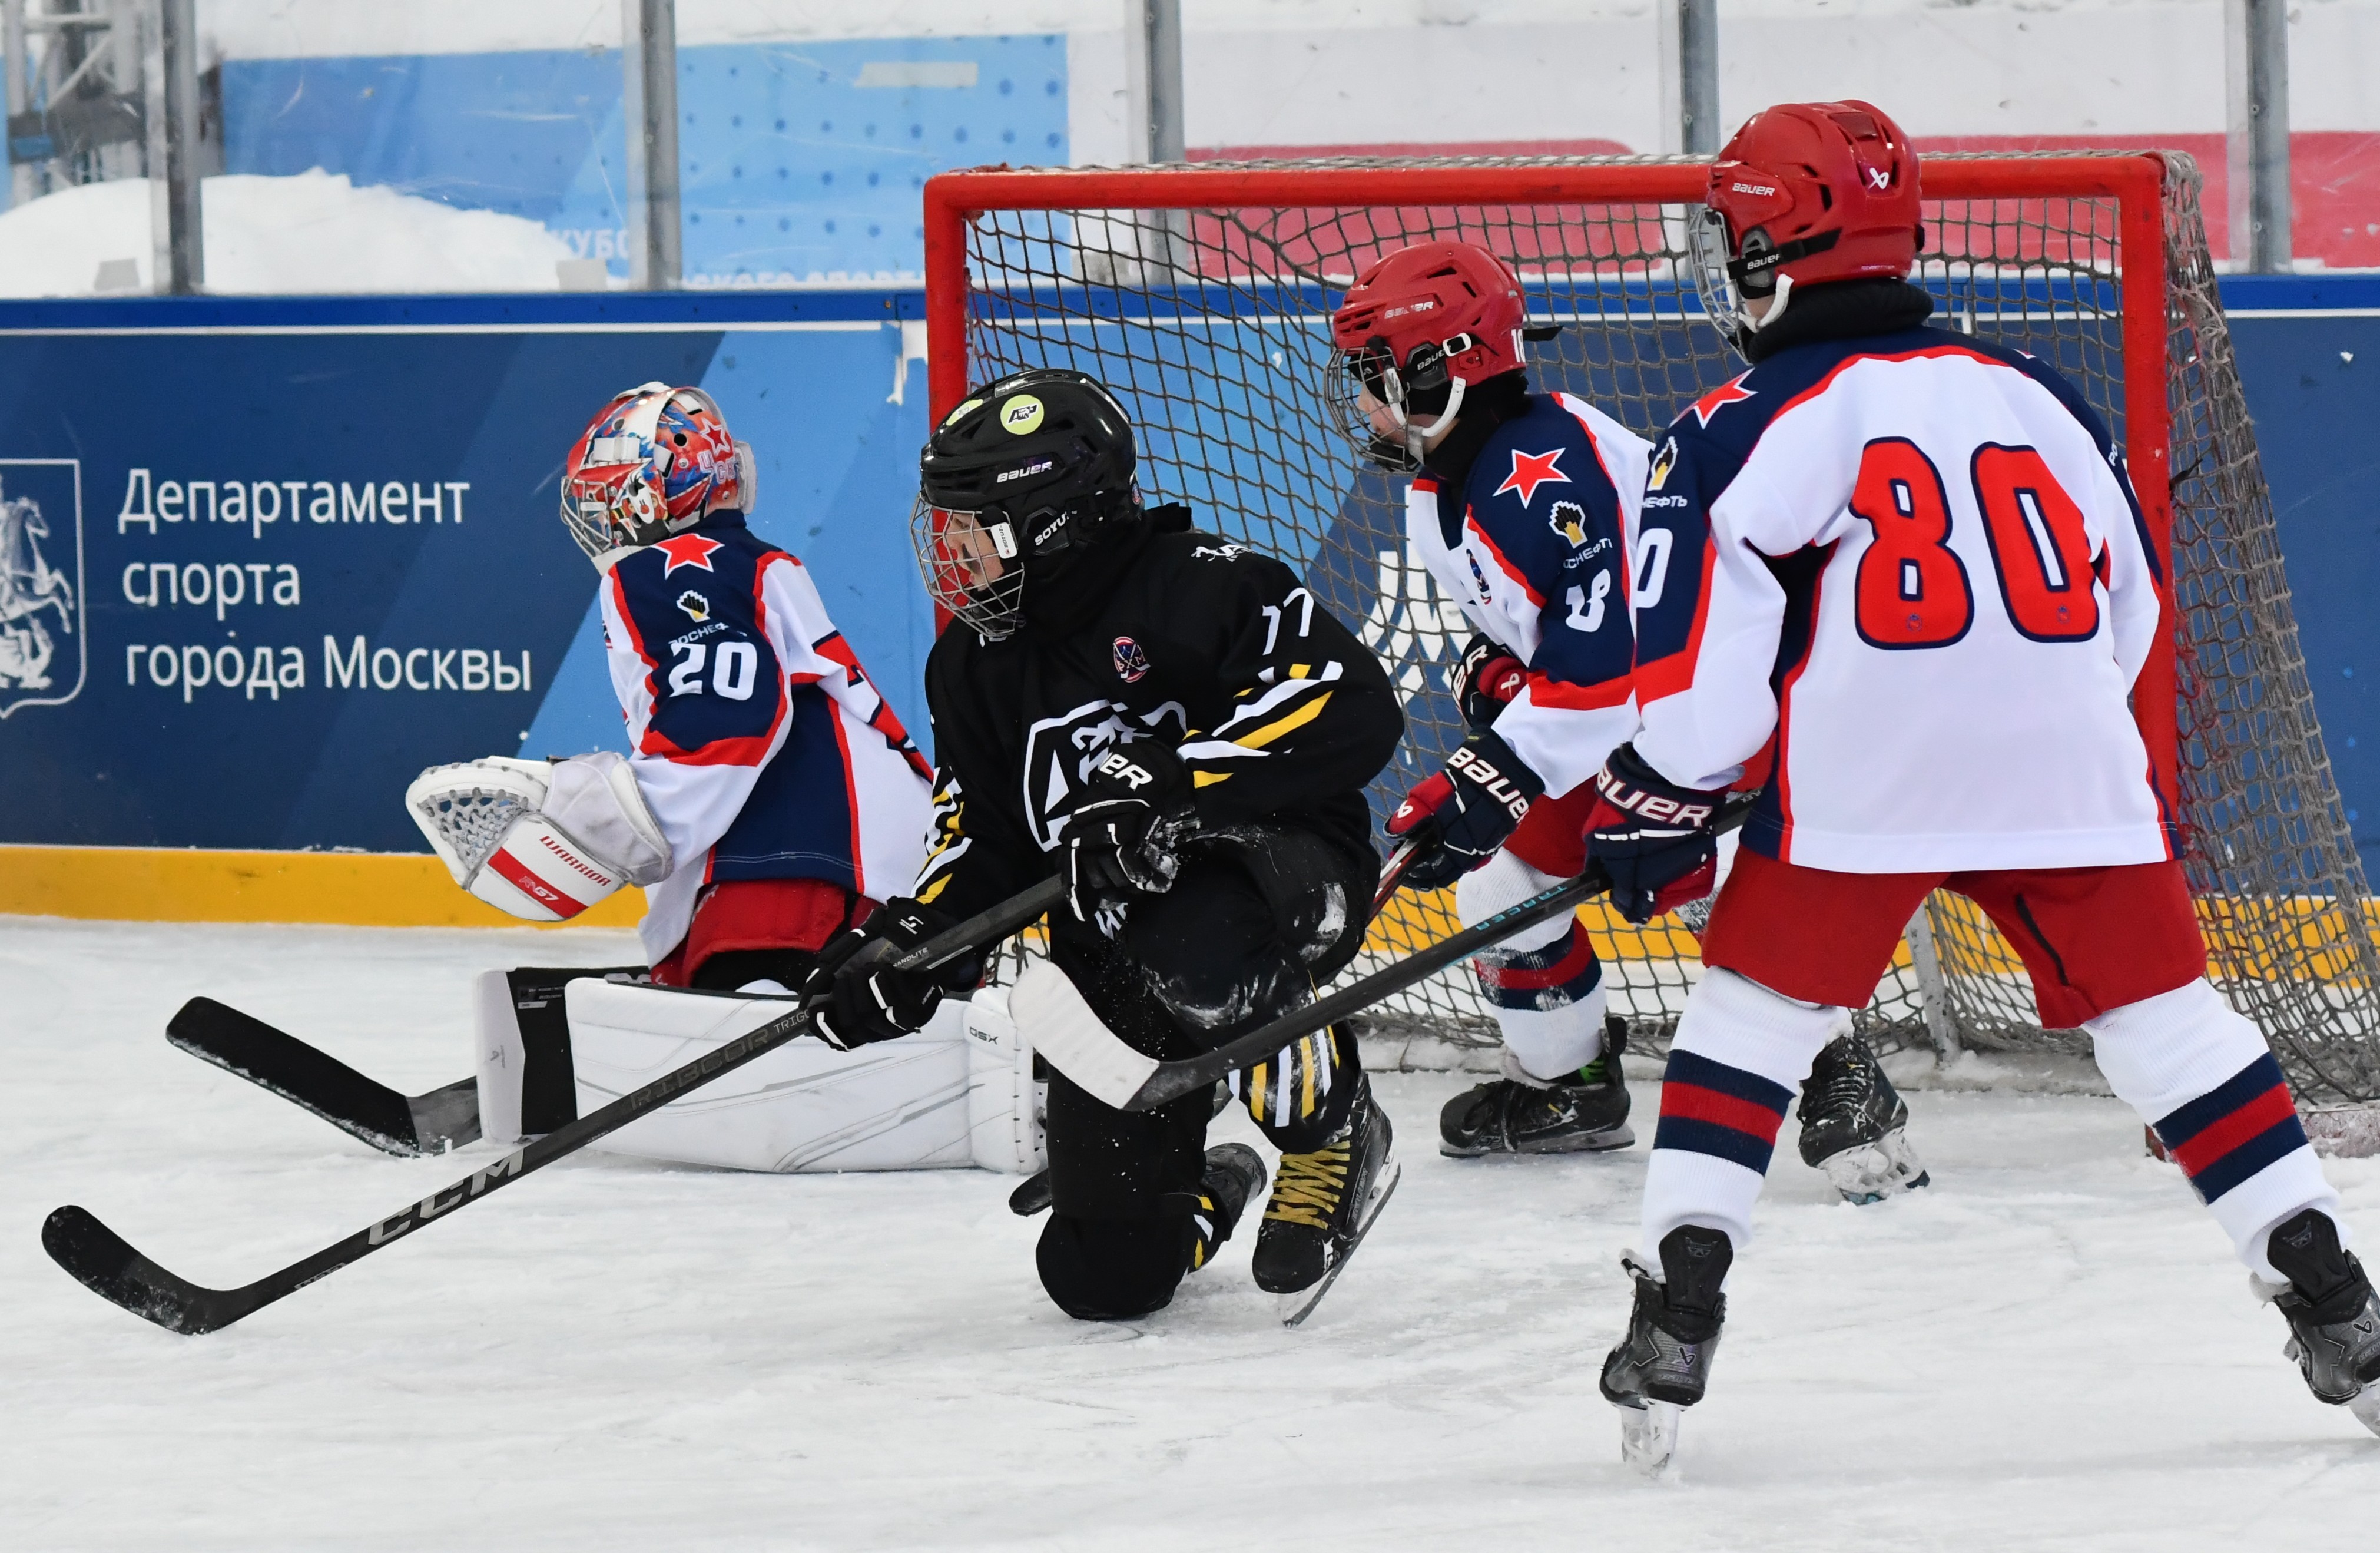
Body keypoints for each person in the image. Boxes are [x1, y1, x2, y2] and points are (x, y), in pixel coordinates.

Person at [1589, 100, 2379, 1463]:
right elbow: (2127, 609)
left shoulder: (1735, 419)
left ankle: (1679, 1306)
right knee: (2170, 1029)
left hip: (1860, 790)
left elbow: (1711, 689)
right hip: (2070, 771)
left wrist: (1655, 795)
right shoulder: (2032, 392)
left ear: (1772, 250)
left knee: (1749, 1022)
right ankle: (2330, 1290)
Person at [803, 369, 1407, 1322]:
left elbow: (1353, 704)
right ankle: (1209, 1182)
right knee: (1098, 1279)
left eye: (975, 526)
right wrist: (910, 943)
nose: (953, 553)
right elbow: (981, 838)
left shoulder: (1207, 582)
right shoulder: (970, 661)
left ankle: (1329, 1126)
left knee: (1179, 915)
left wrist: (1169, 784)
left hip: (1276, 882)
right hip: (1115, 947)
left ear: (1050, 521)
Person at [1330, 239, 1930, 1197]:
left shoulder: (1545, 474)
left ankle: (1833, 1065)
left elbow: (1620, 668)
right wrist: (1498, 674)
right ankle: (1568, 1084)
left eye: (1371, 374)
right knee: (1498, 885)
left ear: (1441, 371)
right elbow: (1554, 640)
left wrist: (1489, 771)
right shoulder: (1442, 483)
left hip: (1708, 718)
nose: (1358, 399)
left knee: (1704, 877)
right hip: (1611, 730)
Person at [404, 383, 1039, 1178]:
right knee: (772, 983)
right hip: (891, 859)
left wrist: (609, 822)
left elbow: (729, 722)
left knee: (756, 987)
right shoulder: (741, 562)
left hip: (804, 854)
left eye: (607, 503)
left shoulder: (665, 567)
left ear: (647, 501)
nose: (600, 526)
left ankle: (788, 1016)